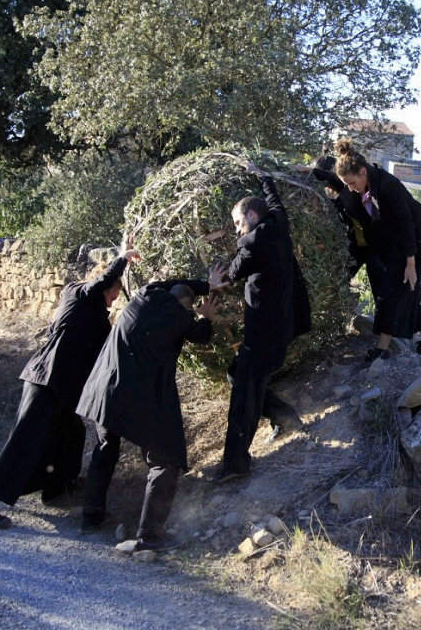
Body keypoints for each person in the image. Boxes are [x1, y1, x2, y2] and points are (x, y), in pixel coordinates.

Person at [0, 238, 140, 529]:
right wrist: (122, 258)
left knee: (69, 436)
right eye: (114, 296)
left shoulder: (99, 318)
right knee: (24, 439)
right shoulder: (76, 293)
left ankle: (56, 487)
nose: (113, 302)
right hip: (44, 380)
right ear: (108, 288)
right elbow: (98, 283)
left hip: (65, 389)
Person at [77, 270, 227, 549]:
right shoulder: (182, 317)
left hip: (103, 386)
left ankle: (91, 515)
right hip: (138, 398)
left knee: (105, 446)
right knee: (165, 459)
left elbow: (171, 286)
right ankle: (151, 534)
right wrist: (204, 316)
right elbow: (202, 336)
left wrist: (206, 284)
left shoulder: (144, 293)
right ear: (187, 306)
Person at [215, 163, 312, 484]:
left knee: (243, 400)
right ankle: (286, 417)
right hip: (281, 331)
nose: (237, 230)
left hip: (261, 337)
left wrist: (213, 280)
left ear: (252, 217)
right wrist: (263, 175)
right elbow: (275, 202)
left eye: (238, 222)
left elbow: (231, 274)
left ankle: (235, 465)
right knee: (238, 377)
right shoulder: (279, 224)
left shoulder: (251, 243)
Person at [331, 138, 421, 362]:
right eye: (346, 184)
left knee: (390, 292)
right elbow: (330, 179)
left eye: (352, 182)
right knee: (405, 291)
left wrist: (411, 264)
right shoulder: (365, 183)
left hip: (411, 242)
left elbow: (407, 224)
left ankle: (382, 348)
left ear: (363, 172)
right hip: (392, 242)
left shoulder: (387, 185)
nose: (350, 188)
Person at [311, 155, 384, 292]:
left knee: (377, 277)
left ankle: (390, 311)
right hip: (359, 244)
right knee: (341, 277)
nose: (326, 188)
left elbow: (326, 179)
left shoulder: (351, 190)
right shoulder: (342, 195)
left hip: (375, 243)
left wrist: (303, 171)